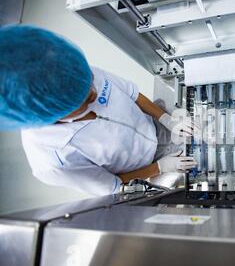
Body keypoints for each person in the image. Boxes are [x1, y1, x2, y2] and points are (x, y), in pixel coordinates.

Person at [0, 25, 197, 196]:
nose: (94, 92)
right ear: (51, 116)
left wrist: (165, 118)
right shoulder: (53, 160)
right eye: (85, 99)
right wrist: (160, 167)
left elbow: (131, 93)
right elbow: (113, 185)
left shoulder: (69, 70)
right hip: (145, 170)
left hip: (154, 126)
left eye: (91, 82)